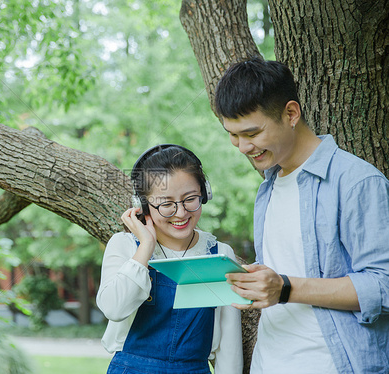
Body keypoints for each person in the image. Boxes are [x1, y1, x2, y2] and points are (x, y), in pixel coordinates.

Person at [213, 57, 389, 373]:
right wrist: (255, 281)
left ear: (291, 114)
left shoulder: (357, 182)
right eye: (233, 134)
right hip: (269, 363)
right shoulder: (266, 189)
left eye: (251, 133)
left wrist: (285, 287)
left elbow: (384, 285)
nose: (242, 146)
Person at [96, 144, 243, 374]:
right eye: (166, 204)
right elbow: (114, 309)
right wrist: (146, 246)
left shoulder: (219, 253)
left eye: (190, 199)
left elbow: (229, 347)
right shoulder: (124, 246)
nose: (181, 212)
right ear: (143, 206)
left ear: (204, 194)